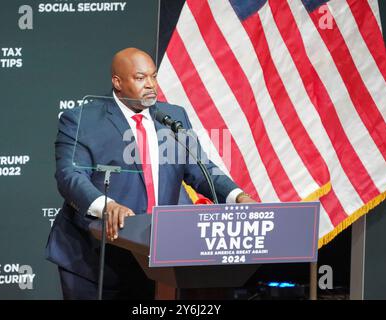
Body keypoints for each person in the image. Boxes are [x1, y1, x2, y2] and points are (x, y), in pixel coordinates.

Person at [46, 47, 255, 300]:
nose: (151, 85)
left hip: (155, 256)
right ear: (118, 82)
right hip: (93, 258)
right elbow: (70, 175)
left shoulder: (172, 117)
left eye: (153, 76)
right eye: (140, 77)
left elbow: (201, 170)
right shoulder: (82, 120)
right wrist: (107, 206)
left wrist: (238, 196)